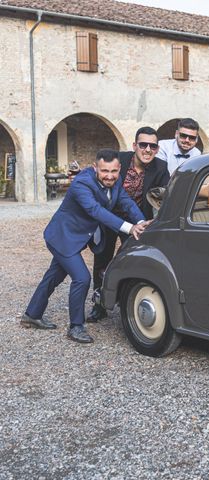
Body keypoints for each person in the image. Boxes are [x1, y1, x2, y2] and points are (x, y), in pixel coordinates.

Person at [22, 149, 149, 344]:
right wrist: (130, 228)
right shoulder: (81, 183)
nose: (110, 176)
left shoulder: (115, 181)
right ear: (95, 167)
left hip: (78, 237)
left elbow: (126, 202)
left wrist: (141, 222)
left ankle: (32, 314)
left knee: (54, 275)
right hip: (62, 237)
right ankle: (76, 327)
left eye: (114, 171)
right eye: (104, 171)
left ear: (119, 168)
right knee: (82, 278)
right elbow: (95, 210)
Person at [87, 126, 170, 322]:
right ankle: (99, 304)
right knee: (101, 258)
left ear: (157, 149)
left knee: (129, 257)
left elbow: (165, 196)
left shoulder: (160, 167)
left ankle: (124, 297)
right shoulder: (119, 160)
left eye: (153, 146)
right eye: (143, 145)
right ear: (134, 146)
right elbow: (97, 176)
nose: (148, 149)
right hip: (108, 217)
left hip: (136, 221)